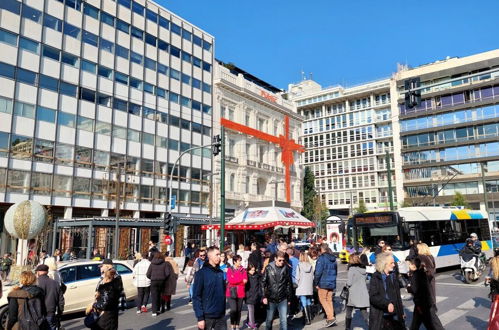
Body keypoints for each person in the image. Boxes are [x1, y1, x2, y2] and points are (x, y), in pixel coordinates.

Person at [192, 246, 227, 330]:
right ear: (210, 256)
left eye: (220, 255)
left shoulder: (220, 273)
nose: (219, 257)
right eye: (217, 254)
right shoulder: (201, 273)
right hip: (207, 316)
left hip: (220, 315)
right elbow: (196, 296)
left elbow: (223, 292)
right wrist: (200, 317)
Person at [369, 252, 405, 330]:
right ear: (384, 264)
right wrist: (387, 303)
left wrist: (401, 313)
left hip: (395, 315)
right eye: (391, 263)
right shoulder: (375, 277)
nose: (394, 265)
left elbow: (398, 296)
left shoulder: (393, 276)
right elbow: (373, 297)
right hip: (381, 316)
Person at [406, 258, 444, 330]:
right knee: (420, 320)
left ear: (414, 266)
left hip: (421, 302)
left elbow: (415, 289)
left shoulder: (416, 275)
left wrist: (408, 288)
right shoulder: (422, 272)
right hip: (424, 300)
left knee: (430, 320)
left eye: (409, 264)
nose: (408, 266)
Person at [262, 250, 293, 330]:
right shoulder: (268, 268)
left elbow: (289, 284)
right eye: (280, 260)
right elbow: (263, 283)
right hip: (271, 298)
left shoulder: (286, 268)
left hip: (283, 298)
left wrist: (289, 298)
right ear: (275, 259)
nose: (281, 262)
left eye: (283, 260)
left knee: (284, 320)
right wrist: (264, 296)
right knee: (269, 320)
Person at [314, 243, 338, 328]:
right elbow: (335, 271)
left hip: (323, 282)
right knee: (329, 300)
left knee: (323, 300)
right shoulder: (333, 258)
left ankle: (330, 318)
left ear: (322, 250)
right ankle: (331, 317)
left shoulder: (322, 258)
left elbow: (318, 272)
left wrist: (316, 283)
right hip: (331, 281)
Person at [36, 264, 65, 330]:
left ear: (38, 272)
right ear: (47, 272)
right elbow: (61, 300)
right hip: (51, 312)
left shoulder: (35, 283)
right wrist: (60, 312)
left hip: (38, 314)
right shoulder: (55, 283)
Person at [345, 254, 369, 330]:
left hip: (353, 294)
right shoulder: (364, 269)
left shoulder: (352, 269)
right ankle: (371, 326)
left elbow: (349, 283)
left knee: (349, 310)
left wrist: (346, 284)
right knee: (364, 312)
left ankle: (348, 328)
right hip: (362, 293)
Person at [226, 255, 248, 330]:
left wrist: (236, 280)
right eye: (239, 260)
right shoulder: (229, 269)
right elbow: (230, 281)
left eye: (240, 260)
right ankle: (232, 325)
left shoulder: (243, 270)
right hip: (230, 292)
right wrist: (241, 280)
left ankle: (237, 325)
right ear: (234, 262)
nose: (240, 262)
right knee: (233, 310)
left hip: (240, 292)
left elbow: (245, 281)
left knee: (238, 310)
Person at [146, 252, 170, 317]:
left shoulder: (152, 264)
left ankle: (154, 311)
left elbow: (148, 274)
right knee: (161, 295)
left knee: (154, 296)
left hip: (153, 281)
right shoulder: (164, 264)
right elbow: (168, 273)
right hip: (162, 281)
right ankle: (159, 309)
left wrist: (151, 278)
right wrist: (164, 277)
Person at [296, 251, 314, 325]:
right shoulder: (310, 265)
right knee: (308, 301)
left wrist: (297, 285)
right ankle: (309, 317)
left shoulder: (299, 265)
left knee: (303, 300)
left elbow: (297, 277)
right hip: (309, 286)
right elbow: (313, 276)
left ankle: (306, 319)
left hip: (301, 286)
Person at [245, 264, 262, 330]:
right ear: (248, 270)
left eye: (254, 270)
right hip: (249, 296)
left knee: (252, 310)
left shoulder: (257, 276)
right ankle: (252, 324)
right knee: (251, 310)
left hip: (255, 295)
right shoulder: (246, 276)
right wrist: (247, 295)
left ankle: (248, 321)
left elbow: (259, 285)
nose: (253, 272)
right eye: (251, 270)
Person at [486, 248, 499, 329]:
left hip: (495, 291)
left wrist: (487, 280)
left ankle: (491, 327)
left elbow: (488, 277)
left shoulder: (492, 261)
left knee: (494, 311)